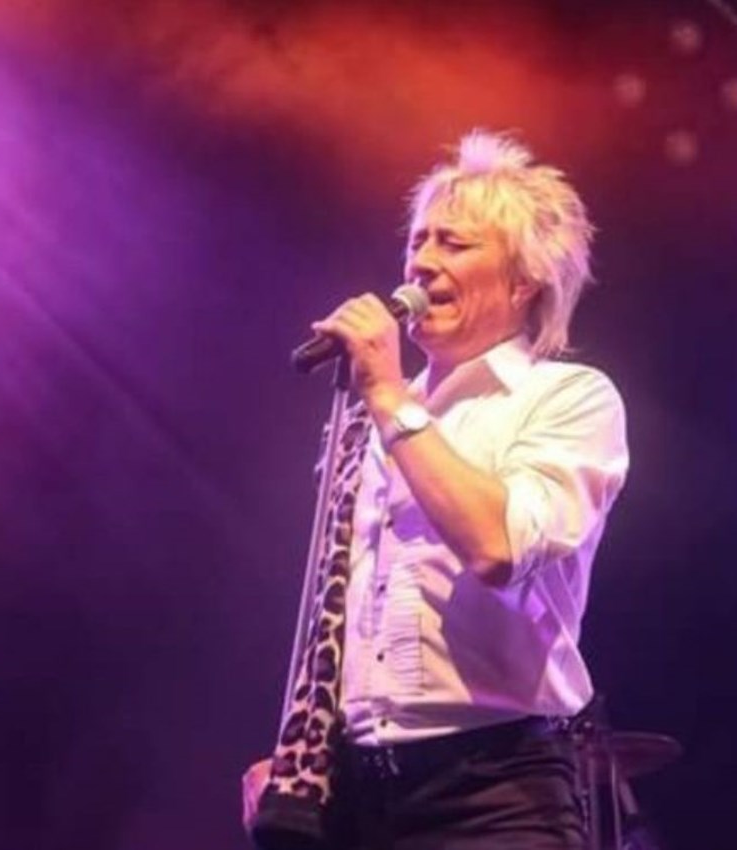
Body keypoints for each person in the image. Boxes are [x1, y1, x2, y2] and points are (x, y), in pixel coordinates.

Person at [244, 129, 629, 849]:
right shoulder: (366, 419)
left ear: (523, 280)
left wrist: (391, 398)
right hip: (356, 793)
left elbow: (498, 547)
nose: (421, 261)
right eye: (418, 241)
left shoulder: (568, 397)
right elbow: (339, 607)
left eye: (454, 243)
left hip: (493, 792)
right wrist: (300, 761)